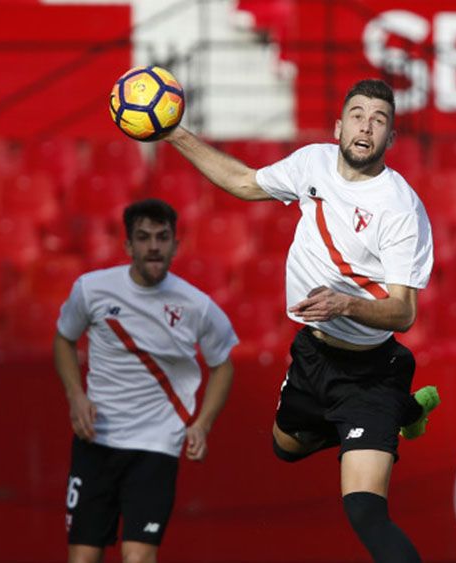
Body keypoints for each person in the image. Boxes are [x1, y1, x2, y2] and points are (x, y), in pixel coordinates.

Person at [161, 78, 438, 562]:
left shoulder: (399, 208)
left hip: (372, 372)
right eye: (357, 114)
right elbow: (246, 183)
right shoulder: (311, 163)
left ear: (390, 139)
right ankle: (404, 412)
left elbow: (404, 312)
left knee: (364, 512)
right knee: (284, 448)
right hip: (312, 355)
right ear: (338, 126)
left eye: (379, 120)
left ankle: (385, 412)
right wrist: (174, 134)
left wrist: (345, 304)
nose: (365, 126)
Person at [55, 198, 240, 563]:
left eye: (162, 237)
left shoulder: (196, 305)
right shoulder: (92, 290)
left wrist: (202, 424)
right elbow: (64, 338)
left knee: (138, 557)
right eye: (143, 237)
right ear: (127, 245)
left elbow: (224, 364)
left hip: (156, 445)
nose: (153, 246)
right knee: (82, 558)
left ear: (175, 244)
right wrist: (76, 396)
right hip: (96, 440)